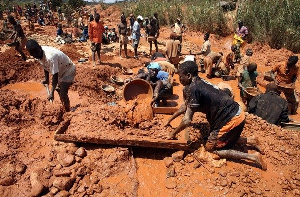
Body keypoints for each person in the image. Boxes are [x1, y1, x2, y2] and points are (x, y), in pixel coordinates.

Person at [164, 61, 267, 170]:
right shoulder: (198, 82)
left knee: (211, 148)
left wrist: (172, 133)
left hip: (232, 119)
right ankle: (251, 140)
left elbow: (187, 121)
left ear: (189, 76)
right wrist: (169, 120)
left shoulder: (193, 88)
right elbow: (184, 107)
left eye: (181, 76)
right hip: (236, 113)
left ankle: (252, 157)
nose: (179, 79)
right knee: (220, 138)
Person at [25, 39, 76, 112]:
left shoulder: (50, 57)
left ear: (39, 48)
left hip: (68, 70)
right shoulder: (37, 54)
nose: (35, 55)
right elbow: (45, 65)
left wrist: (51, 93)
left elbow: (55, 76)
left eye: (35, 53)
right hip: (60, 69)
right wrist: (46, 79)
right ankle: (65, 107)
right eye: (32, 54)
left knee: (63, 92)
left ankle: (68, 112)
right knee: (59, 90)